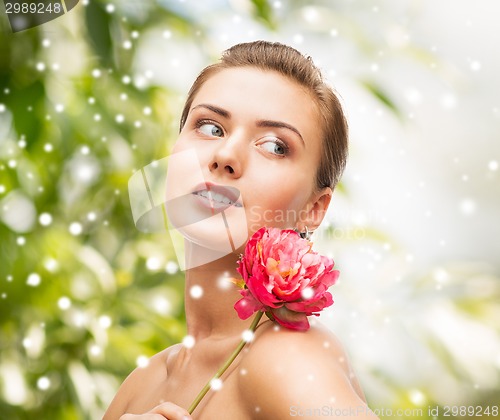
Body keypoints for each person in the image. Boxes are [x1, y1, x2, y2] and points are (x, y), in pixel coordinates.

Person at [104, 40, 376, 419]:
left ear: (314, 209)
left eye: (275, 146)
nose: (226, 156)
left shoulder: (286, 357)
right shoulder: (141, 384)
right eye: (211, 127)